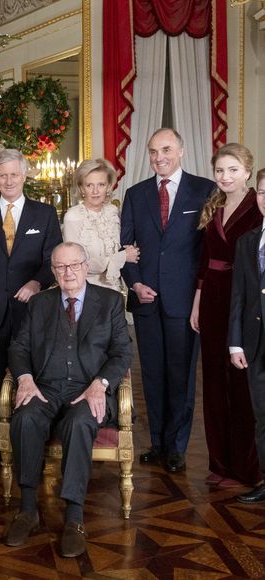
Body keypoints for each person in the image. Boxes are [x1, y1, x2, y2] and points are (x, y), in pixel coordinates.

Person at [6, 242, 132, 557]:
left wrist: (100, 384)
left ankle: (74, 518)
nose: (68, 272)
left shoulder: (110, 301)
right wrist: (24, 378)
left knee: (78, 423)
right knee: (25, 417)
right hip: (46, 387)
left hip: (89, 387)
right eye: (60, 267)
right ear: (52, 271)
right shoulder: (39, 303)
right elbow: (19, 346)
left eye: (74, 264)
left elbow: (122, 352)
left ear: (85, 265)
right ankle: (27, 510)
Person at [120, 128, 214, 473]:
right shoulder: (135, 193)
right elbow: (125, 248)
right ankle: (157, 443)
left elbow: (209, 251)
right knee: (153, 377)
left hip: (184, 302)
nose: (159, 157)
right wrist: (136, 284)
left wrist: (201, 299)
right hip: (145, 301)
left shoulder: (204, 190)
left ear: (181, 151)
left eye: (166, 149)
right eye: (153, 151)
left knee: (181, 376)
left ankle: (177, 447)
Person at [0, 149, 62, 465]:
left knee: (30, 376)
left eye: (14, 174)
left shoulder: (44, 214)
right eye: (2, 175)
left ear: (24, 176)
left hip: (31, 313)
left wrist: (36, 283)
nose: (8, 180)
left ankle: (30, 443)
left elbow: (52, 261)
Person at [190, 144, 262, 487]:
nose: (225, 176)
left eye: (233, 169)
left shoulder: (258, 208)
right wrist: (197, 303)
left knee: (241, 384)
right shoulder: (213, 204)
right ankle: (219, 463)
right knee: (215, 383)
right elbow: (204, 262)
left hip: (245, 299)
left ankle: (245, 467)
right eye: (220, 170)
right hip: (214, 297)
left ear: (247, 170)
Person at [229, 167, 265, 503]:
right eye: (264, 193)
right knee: (262, 415)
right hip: (255, 343)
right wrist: (236, 342)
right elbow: (238, 294)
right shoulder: (247, 241)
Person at [63, 158, 139, 292]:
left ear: (109, 186)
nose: (95, 191)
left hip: (116, 290)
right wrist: (122, 257)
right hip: (87, 292)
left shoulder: (113, 212)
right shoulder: (73, 216)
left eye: (101, 184)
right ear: (81, 187)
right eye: (89, 185)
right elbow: (78, 264)